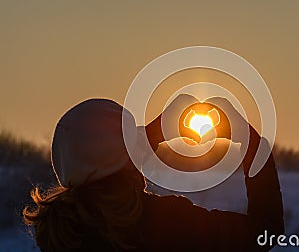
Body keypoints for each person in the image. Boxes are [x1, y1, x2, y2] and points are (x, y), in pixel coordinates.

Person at [23, 95, 284, 252]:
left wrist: (145, 138)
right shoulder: (163, 223)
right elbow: (264, 232)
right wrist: (252, 145)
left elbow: (104, 163)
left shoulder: (58, 232)